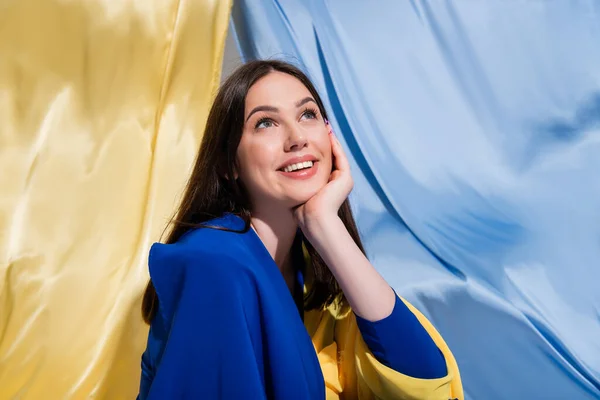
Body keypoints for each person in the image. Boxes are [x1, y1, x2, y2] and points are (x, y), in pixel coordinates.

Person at [136, 60, 463, 400]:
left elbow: (426, 384)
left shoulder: (309, 272)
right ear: (229, 164)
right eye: (265, 123)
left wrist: (326, 225)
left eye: (307, 115)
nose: (297, 139)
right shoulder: (216, 266)